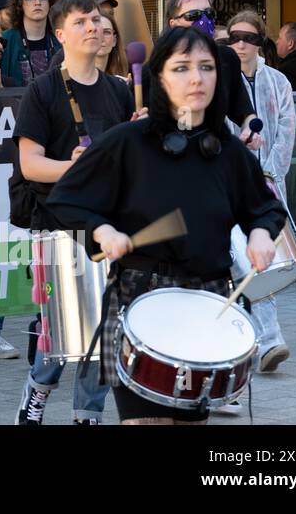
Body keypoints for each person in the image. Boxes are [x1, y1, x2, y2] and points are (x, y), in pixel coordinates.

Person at [48, 25, 283, 425]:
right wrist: (103, 231)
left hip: (208, 301)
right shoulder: (128, 142)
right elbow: (65, 200)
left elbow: (264, 208)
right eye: (182, 68)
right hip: (139, 301)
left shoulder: (226, 151)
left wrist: (261, 233)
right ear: (159, 77)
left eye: (207, 67)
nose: (197, 78)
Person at [14, 0, 135, 422]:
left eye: (98, 20)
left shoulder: (118, 90)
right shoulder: (42, 91)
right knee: (60, 328)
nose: (94, 27)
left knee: (104, 329)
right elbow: (30, 165)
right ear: (61, 34)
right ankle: (38, 391)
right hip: (55, 223)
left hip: (104, 226)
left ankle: (88, 413)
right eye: (83, 21)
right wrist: (73, 168)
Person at [224, 10, 296, 372]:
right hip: (230, 187)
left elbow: (286, 128)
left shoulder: (279, 82)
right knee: (244, 263)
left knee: (260, 262)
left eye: (249, 38)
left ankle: (263, 339)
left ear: (260, 42)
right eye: (234, 37)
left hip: (267, 185)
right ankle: (266, 338)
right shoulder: (219, 80)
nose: (241, 44)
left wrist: (270, 172)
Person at [158, 0, 261, 145]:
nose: (203, 20)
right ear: (173, 23)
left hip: (213, 151)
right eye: (193, 15)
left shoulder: (226, 58)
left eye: (208, 13)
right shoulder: (159, 62)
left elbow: (244, 111)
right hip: (170, 153)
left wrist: (250, 130)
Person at [0, 0, 64, 86]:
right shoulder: (5, 40)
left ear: (50, 3)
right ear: (20, 4)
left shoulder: (60, 40)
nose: (37, 2)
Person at [97, 11, 130, 80]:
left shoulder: (121, 83)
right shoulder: (71, 81)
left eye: (106, 32)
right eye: (96, 32)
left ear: (114, 40)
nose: (101, 38)